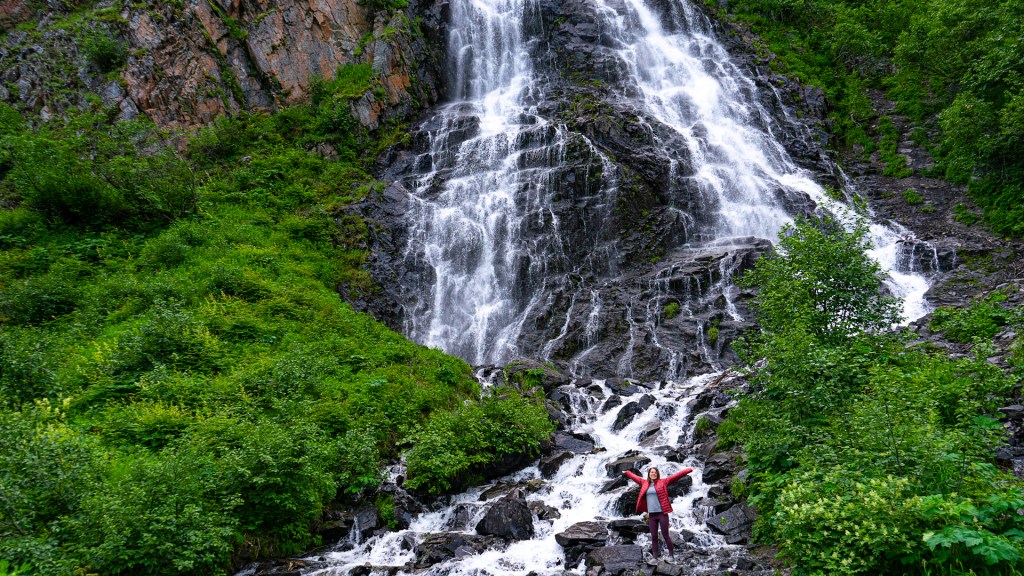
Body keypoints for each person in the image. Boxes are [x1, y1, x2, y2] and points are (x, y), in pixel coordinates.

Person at [624, 465, 693, 562]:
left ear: (657, 474)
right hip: (652, 515)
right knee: (654, 537)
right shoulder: (644, 483)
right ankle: (655, 558)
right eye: (652, 472)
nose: (653, 474)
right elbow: (635, 478)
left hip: (662, 514)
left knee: (665, 535)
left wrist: (688, 470)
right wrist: (627, 472)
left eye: (655, 472)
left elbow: (677, 476)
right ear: (649, 474)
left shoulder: (663, 481)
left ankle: (671, 556)